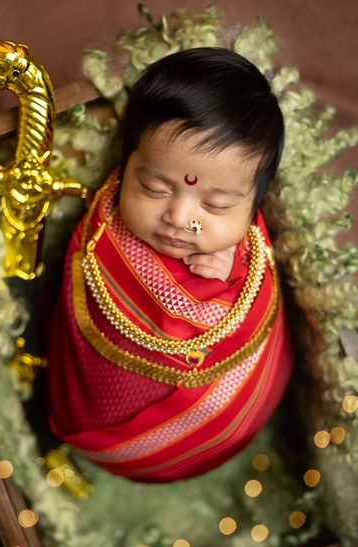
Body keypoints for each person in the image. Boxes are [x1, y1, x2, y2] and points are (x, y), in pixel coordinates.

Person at [47, 48, 293, 483]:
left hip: (239, 421)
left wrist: (231, 274)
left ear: (255, 204)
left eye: (215, 205)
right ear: (125, 167)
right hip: (114, 430)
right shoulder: (104, 236)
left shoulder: (249, 251)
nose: (181, 219)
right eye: (155, 188)